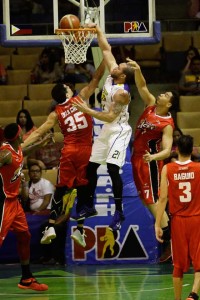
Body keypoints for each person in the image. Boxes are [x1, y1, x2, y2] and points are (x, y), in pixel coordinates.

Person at [22, 60, 106, 245]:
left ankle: (50, 226)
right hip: (85, 150)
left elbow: (38, 132)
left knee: (61, 189)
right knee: (84, 188)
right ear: (67, 92)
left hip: (68, 151)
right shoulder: (81, 98)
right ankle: (80, 229)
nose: (68, 87)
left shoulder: (55, 112)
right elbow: (96, 78)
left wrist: (20, 148)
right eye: (66, 87)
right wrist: (104, 60)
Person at [71, 23, 135, 247]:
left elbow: (109, 117)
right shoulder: (113, 75)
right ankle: (88, 205)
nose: (116, 66)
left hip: (119, 129)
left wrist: (86, 110)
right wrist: (97, 29)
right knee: (90, 167)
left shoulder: (122, 95)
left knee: (111, 168)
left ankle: (118, 212)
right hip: (107, 130)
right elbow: (106, 49)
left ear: (122, 76)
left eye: (120, 67)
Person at [126, 58, 175, 263]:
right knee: (147, 202)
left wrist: (152, 157)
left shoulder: (167, 124)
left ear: (169, 104)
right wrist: (137, 70)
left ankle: (172, 242)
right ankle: (171, 239)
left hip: (150, 164)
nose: (162, 94)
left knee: (152, 201)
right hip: (137, 159)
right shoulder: (151, 105)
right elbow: (142, 85)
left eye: (167, 95)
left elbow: (167, 151)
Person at [0, 123, 49, 291]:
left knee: (24, 236)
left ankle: (26, 278)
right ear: (18, 136)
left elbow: (22, 154)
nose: (23, 134)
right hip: (4, 202)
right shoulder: (5, 153)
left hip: (16, 203)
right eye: (21, 132)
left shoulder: (17, 149)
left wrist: (40, 145)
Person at [155, 134, 200, 300]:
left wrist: (157, 224)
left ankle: (178, 298)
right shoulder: (199, 168)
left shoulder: (168, 169)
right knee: (199, 261)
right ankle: (194, 294)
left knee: (179, 265)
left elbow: (162, 199)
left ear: (177, 149)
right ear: (192, 150)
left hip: (178, 221)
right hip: (197, 219)